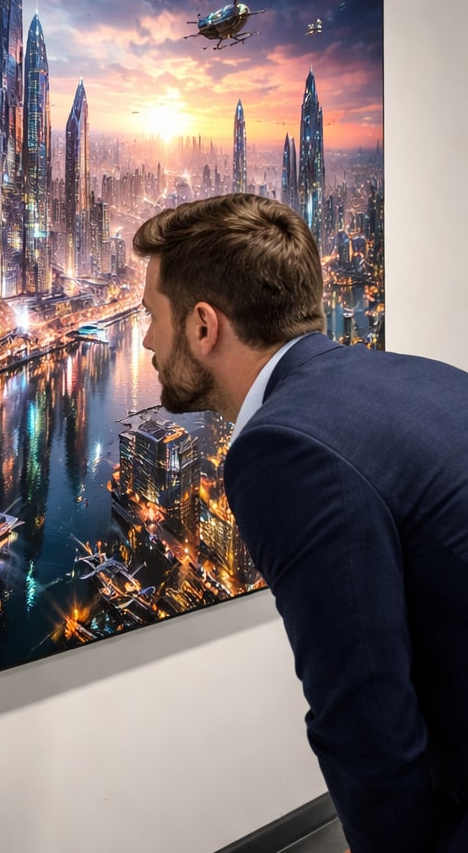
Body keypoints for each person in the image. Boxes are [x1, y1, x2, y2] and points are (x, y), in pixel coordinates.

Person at [132, 193, 468, 853]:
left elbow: (366, 722)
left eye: (152, 314)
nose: (145, 337)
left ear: (204, 327)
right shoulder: (425, 375)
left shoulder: (283, 446)